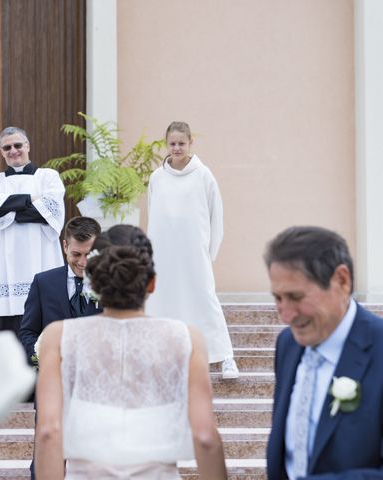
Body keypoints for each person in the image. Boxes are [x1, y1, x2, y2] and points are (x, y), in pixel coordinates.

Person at [35, 226, 227, 479]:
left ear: (94, 280)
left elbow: (48, 430)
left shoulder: (58, 336)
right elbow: (205, 436)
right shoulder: (186, 338)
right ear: (152, 283)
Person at [265, 226, 383, 479]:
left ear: (341, 280)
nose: (286, 315)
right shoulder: (287, 344)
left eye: (296, 297)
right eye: (278, 298)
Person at [146, 121, 238, 379]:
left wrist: (208, 254)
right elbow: (153, 216)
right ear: (167, 144)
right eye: (172, 143)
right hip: (163, 253)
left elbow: (215, 218)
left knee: (205, 299)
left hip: (194, 253)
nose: (176, 148)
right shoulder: (157, 178)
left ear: (190, 144)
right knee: (161, 300)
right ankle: (159, 356)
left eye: (181, 143)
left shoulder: (203, 175)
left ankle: (225, 357)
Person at [0, 126, 66, 336]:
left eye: (18, 145)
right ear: (1, 152)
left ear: (27, 146)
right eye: (7, 147)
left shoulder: (48, 176)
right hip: (4, 260)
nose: (13, 151)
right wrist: (30, 200)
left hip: (41, 253)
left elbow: (50, 212)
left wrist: (9, 207)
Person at [19, 216, 102, 363]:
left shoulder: (110, 285)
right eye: (76, 254)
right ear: (65, 247)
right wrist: (43, 360)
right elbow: (28, 332)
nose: (83, 262)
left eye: (88, 254)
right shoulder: (43, 282)